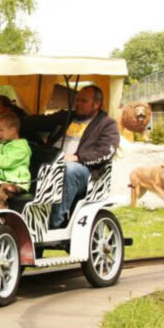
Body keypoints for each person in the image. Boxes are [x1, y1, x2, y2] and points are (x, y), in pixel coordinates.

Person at [22, 85, 120, 229]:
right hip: (52, 161)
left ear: (97, 104)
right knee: (24, 154)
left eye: (83, 101)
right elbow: (39, 122)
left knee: (69, 168)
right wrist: (14, 121)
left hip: (85, 171)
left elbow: (106, 151)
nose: (78, 104)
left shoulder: (106, 124)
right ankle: (23, 215)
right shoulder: (67, 116)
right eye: (77, 99)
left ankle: (56, 221)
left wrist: (77, 157)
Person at [0, 113, 31, 208]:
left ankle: (3, 216)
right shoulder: (3, 145)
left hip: (17, 182)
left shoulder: (21, 147)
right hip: (2, 181)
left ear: (13, 130)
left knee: (0, 192)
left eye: (1, 130)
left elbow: (5, 163)